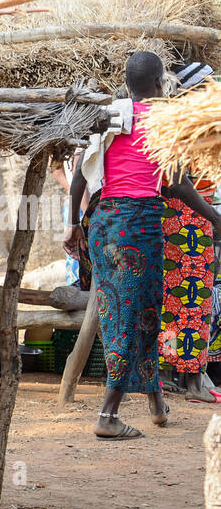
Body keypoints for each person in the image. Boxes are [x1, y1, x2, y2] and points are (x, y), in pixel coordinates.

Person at [66, 51, 221, 439]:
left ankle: (155, 403)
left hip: (103, 224)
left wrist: (71, 225)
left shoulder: (105, 118)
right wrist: (217, 220)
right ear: (158, 83)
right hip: (138, 227)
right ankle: (107, 415)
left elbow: (80, 177)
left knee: (144, 310)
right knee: (130, 317)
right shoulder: (163, 124)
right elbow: (178, 185)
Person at [160, 62, 221, 402]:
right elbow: (177, 183)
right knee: (181, 302)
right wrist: (212, 216)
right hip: (187, 219)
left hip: (192, 220)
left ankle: (187, 375)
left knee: (188, 303)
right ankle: (183, 378)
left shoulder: (201, 127)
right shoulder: (180, 130)